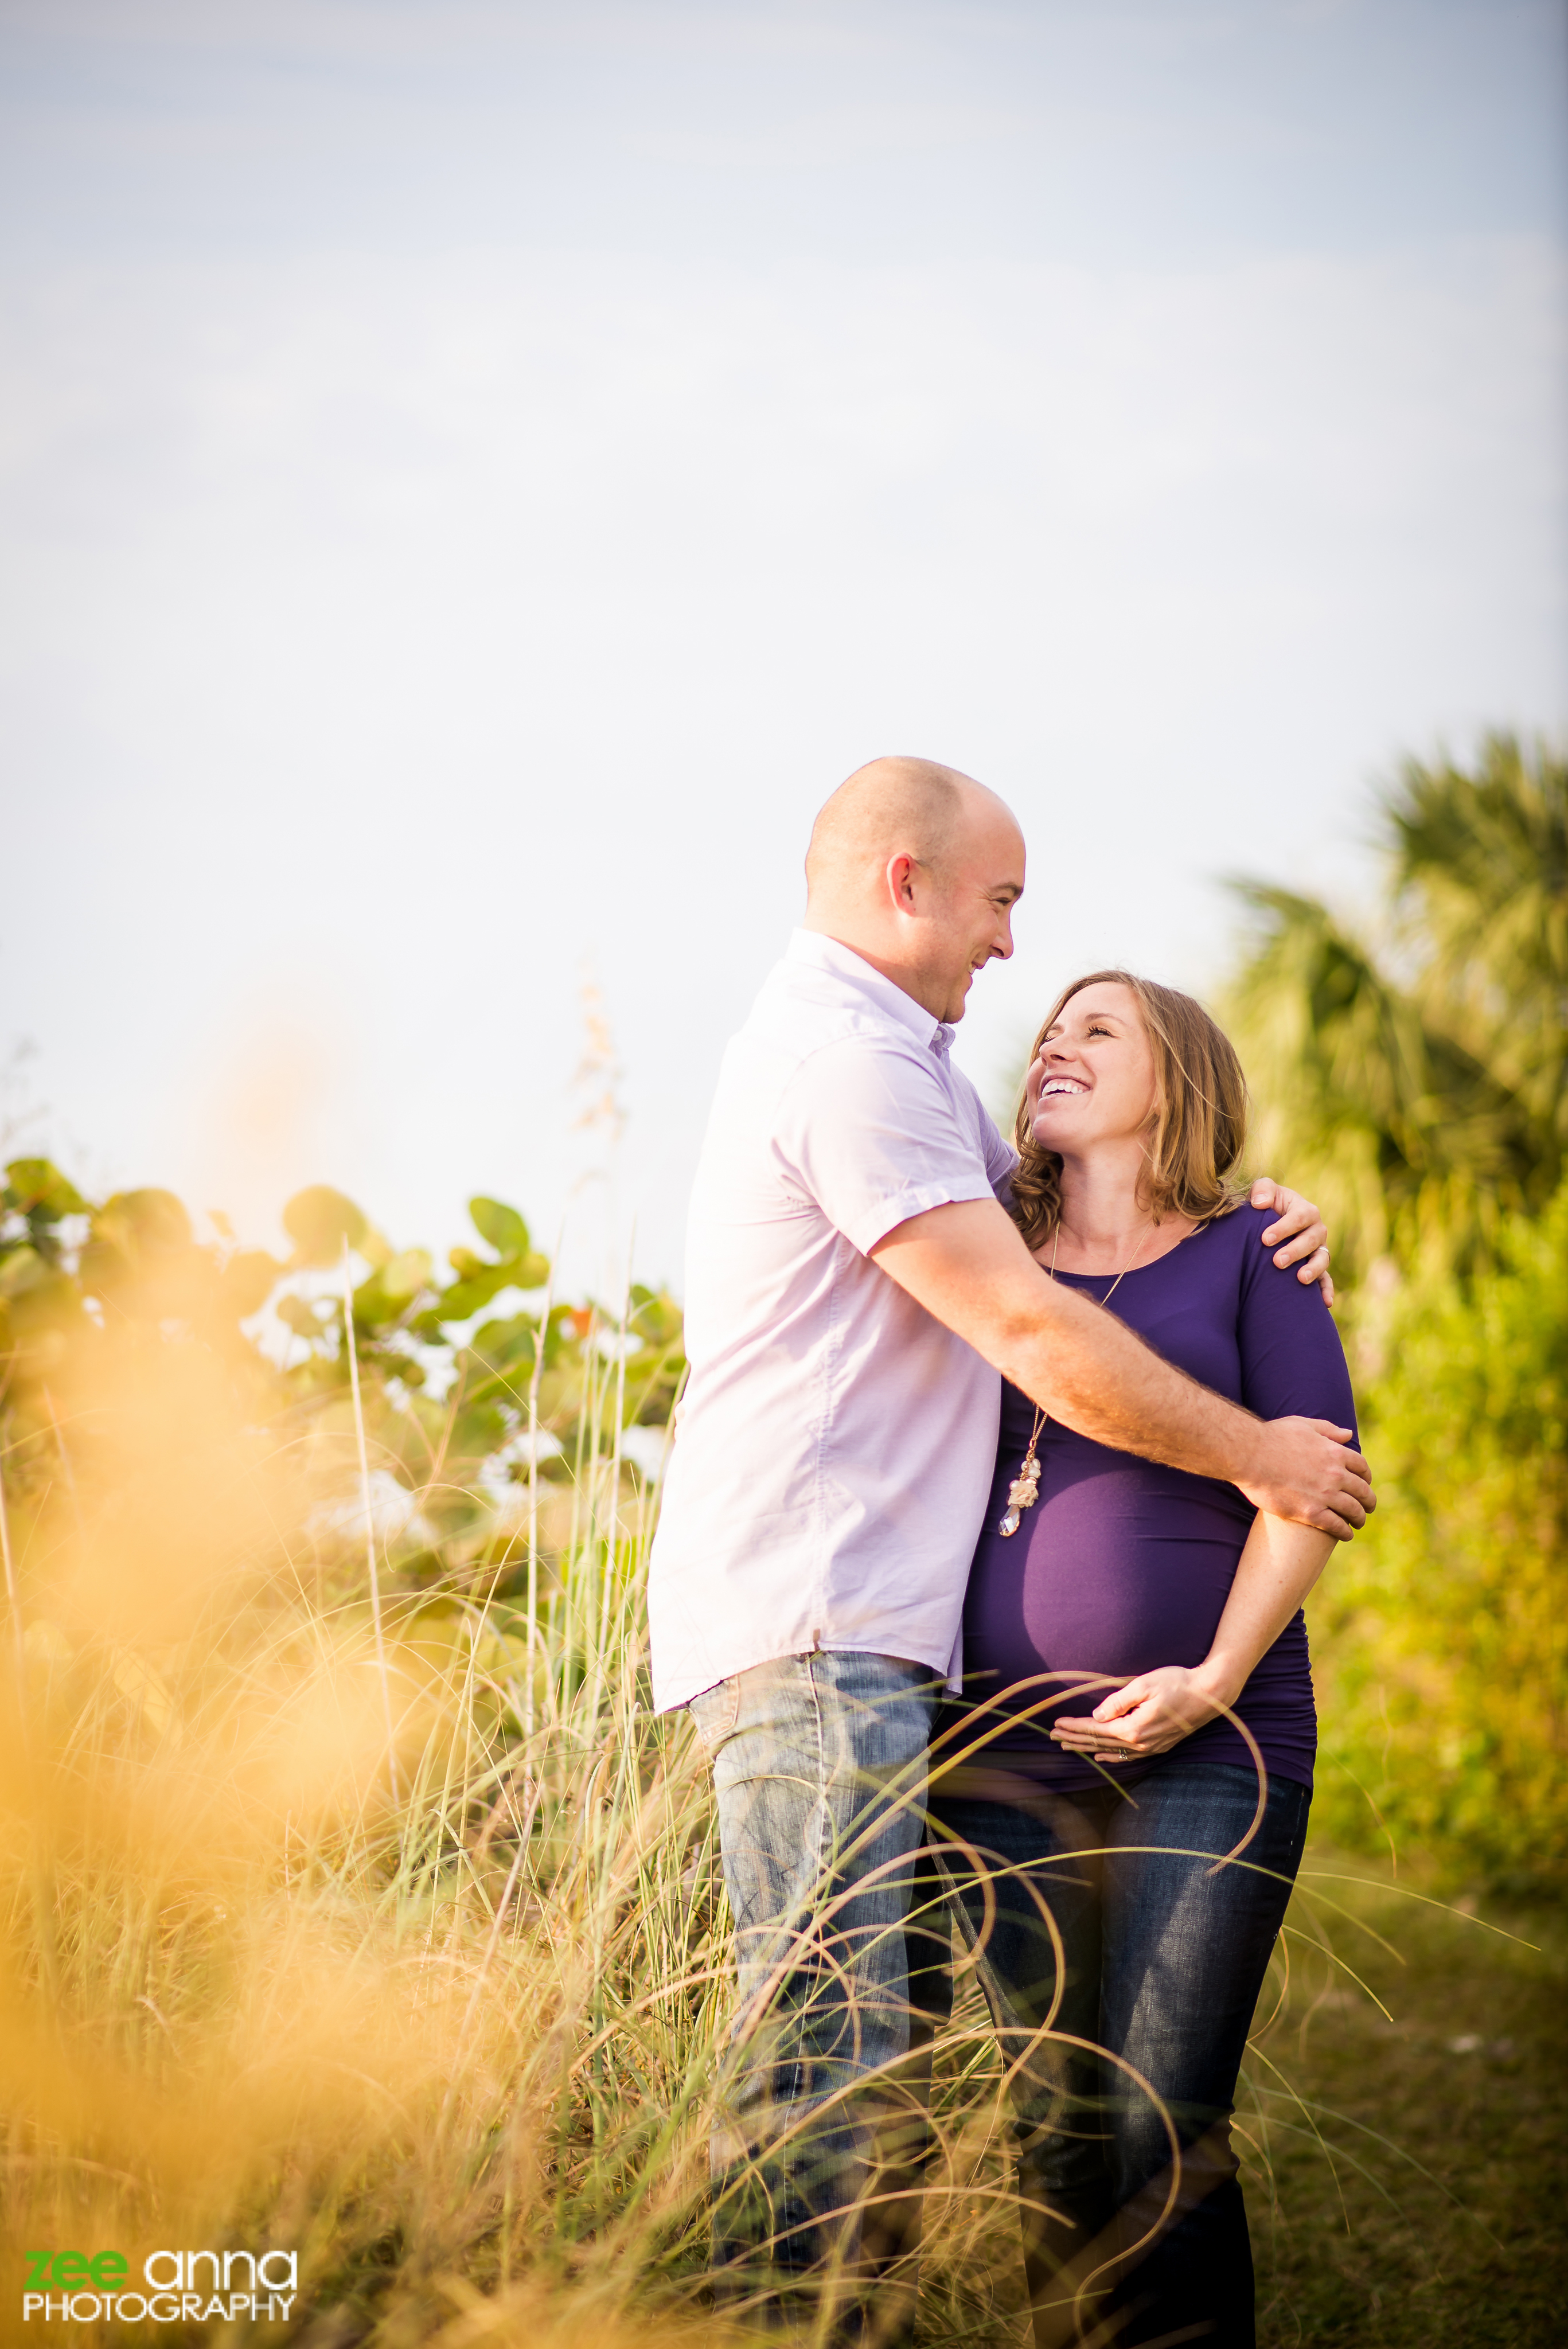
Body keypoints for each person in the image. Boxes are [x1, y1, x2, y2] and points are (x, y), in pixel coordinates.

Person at [645, 756, 1370, 2339]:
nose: (1011, 954)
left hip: (1093, 1715)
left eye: (1094, 1026)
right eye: (998, 903)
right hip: (851, 1653)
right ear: (905, 884)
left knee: (1095, 2113)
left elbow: (1097, 1296)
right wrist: (1257, 1453)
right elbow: (1034, 1336)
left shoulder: (956, 1114)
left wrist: (1274, 1216)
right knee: (867, 2084)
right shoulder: (855, 1071)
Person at [930, 970, 1358, 2348]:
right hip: (996, 1753)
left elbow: (1313, 1484)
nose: (1050, 1043)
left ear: (1175, 1078)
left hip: (1214, 1741)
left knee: (1159, 2116)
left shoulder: (1251, 1250)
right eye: (1048, 1031)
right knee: (1047, 2124)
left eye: (1095, 1028)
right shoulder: (983, 1248)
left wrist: (1212, 1676)